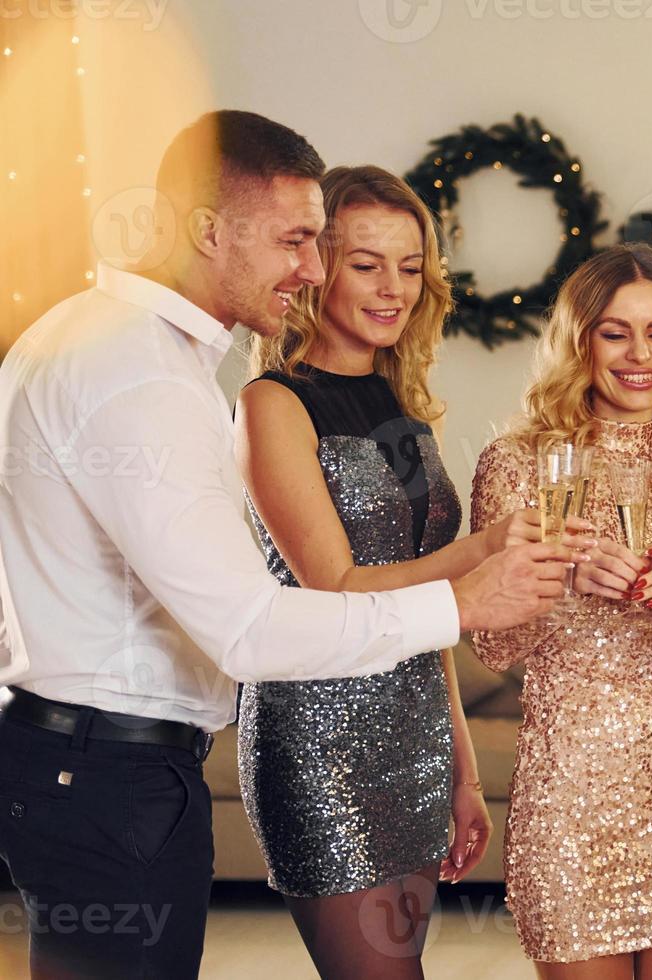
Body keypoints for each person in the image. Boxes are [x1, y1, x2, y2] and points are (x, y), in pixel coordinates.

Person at [0, 111, 579, 979]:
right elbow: (254, 628)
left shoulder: (134, 350)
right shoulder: (146, 373)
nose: (310, 268)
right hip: (126, 768)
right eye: (299, 242)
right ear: (207, 231)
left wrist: (456, 749)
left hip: (118, 767)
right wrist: (466, 594)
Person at [234, 165, 591, 977]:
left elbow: (431, 617)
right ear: (317, 266)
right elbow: (336, 588)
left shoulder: (403, 406)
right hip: (320, 739)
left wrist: (462, 766)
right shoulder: (272, 405)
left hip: (417, 735)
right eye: (365, 264)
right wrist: (484, 549)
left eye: (408, 266)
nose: (393, 288)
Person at [470, 243, 652, 979]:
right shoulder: (516, 464)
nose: (640, 354)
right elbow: (492, 647)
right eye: (614, 331)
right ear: (580, 339)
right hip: (569, 797)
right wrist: (565, 578)